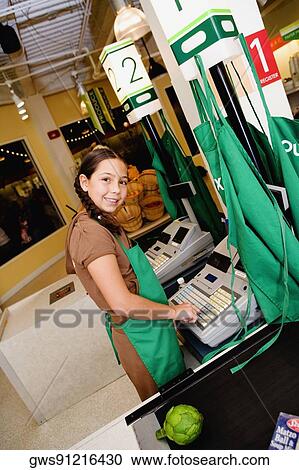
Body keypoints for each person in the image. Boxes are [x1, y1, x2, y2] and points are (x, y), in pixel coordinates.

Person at [65, 145, 198, 401]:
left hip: (151, 327)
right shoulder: (91, 233)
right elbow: (122, 303)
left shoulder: (101, 221)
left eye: (122, 181)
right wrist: (174, 312)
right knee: (173, 406)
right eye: (106, 179)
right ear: (84, 182)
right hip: (141, 338)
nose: (116, 190)